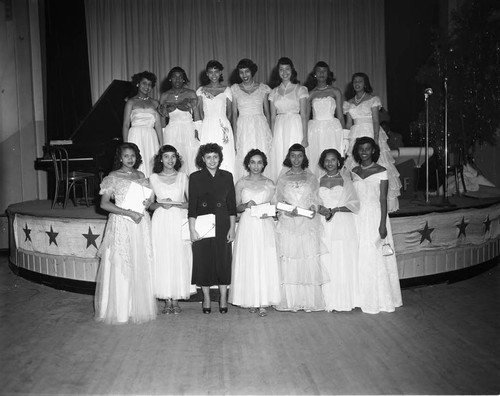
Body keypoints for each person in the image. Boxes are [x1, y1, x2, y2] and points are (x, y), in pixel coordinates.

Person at [95, 143, 156, 324]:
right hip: (122, 222)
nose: (130, 159)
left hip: (140, 222)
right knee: (122, 263)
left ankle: (137, 307)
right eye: (126, 156)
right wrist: (127, 212)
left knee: (140, 261)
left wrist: (147, 202)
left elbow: (150, 200)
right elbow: (104, 204)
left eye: (133, 156)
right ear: (120, 158)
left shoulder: (141, 176)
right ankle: (120, 309)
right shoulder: (112, 177)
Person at [274, 144, 328, 312]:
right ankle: (291, 301)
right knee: (290, 260)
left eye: (299, 156)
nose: (296, 159)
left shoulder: (311, 177)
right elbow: (277, 201)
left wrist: (313, 207)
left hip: (307, 223)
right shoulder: (282, 178)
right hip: (289, 222)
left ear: (304, 157)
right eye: (293, 156)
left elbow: (316, 199)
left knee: (307, 259)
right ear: (288, 158)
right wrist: (286, 210)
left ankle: (308, 301)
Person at [351, 137, 403, 314]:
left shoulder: (382, 171)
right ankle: (360, 297)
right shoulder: (354, 171)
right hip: (358, 217)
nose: (364, 152)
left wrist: (382, 225)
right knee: (359, 255)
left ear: (373, 150)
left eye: (367, 148)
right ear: (357, 151)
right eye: (361, 149)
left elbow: (383, 199)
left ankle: (379, 298)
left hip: (374, 216)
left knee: (374, 256)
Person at [229, 149, 281, 317]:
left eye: (259, 162)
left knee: (264, 259)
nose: (256, 166)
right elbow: (235, 207)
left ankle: (263, 301)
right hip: (247, 224)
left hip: (264, 224)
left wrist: (270, 212)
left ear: (264, 164)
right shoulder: (241, 183)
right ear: (248, 164)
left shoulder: (270, 182)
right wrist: (246, 206)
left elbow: (276, 207)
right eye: (253, 162)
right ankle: (251, 299)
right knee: (249, 259)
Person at [188, 143, 237, 314]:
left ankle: (223, 297)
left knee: (223, 260)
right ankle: (206, 297)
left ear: (220, 158)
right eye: (208, 157)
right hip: (202, 223)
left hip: (223, 222)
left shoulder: (227, 176)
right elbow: (192, 206)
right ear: (202, 159)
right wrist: (192, 229)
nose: (212, 160)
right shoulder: (195, 177)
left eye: (215, 156)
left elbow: (232, 205)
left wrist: (232, 227)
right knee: (204, 261)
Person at [343, 72, 401, 212]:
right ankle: (359, 201)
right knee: (354, 165)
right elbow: (348, 124)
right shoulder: (348, 103)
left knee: (377, 164)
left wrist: (375, 141)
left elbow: (376, 120)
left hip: (370, 131)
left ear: (365, 84)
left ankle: (380, 203)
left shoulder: (373, 99)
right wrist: (345, 142)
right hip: (355, 134)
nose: (357, 84)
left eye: (360, 81)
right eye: (355, 81)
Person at [149, 145, 195, 314]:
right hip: (160, 220)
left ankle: (175, 298)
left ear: (177, 159)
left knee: (178, 256)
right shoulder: (153, 178)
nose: (170, 160)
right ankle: (166, 299)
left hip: (178, 218)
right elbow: (149, 204)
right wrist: (161, 204)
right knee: (163, 257)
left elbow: (191, 203)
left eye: (173, 157)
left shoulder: (183, 177)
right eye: (166, 156)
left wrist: (175, 204)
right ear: (161, 159)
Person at [317, 149, 360, 312]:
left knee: (342, 258)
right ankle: (328, 299)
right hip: (325, 224)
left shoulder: (346, 180)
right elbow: (315, 202)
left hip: (342, 223)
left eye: (333, 160)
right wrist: (321, 209)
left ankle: (345, 299)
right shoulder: (319, 180)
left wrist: (336, 210)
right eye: (327, 160)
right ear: (323, 162)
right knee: (327, 260)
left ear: (339, 162)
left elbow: (355, 205)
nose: (330, 163)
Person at [231, 59, 272, 181]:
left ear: (252, 71)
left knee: (262, 154)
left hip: (260, 126)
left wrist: (269, 132)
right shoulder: (235, 89)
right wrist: (234, 135)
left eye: (247, 72)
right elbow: (233, 114)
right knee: (244, 155)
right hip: (243, 126)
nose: (244, 75)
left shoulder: (263, 88)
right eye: (241, 72)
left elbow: (267, 113)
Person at [268, 57, 309, 181]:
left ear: (292, 70)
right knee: (279, 154)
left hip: (295, 125)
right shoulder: (273, 92)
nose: (284, 72)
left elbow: (304, 115)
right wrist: (271, 135)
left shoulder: (300, 89)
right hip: (279, 126)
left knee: (295, 155)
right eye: (281, 69)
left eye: (287, 69)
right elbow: (272, 117)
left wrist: (305, 136)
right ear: (278, 71)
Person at [306, 62, 346, 177]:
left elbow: (340, 115)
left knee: (333, 156)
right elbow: (306, 115)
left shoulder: (335, 91)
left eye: (324, 71)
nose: (321, 73)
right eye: (319, 71)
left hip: (333, 129)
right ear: (315, 74)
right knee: (316, 157)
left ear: (328, 74)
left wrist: (345, 136)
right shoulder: (310, 94)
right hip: (315, 130)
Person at [196, 61, 235, 175]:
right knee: (207, 154)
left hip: (223, 127)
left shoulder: (227, 90)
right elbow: (199, 112)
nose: (214, 75)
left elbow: (229, 113)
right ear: (207, 74)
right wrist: (200, 128)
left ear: (220, 73)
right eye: (211, 72)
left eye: (216, 72)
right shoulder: (201, 90)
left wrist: (223, 125)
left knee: (225, 154)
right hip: (207, 126)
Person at [158, 67, 200, 175]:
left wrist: (199, 131)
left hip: (188, 129)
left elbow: (197, 115)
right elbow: (162, 117)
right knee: (172, 159)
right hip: (171, 130)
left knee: (191, 159)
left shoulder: (191, 93)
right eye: (174, 77)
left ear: (184, 79)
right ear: (170, 79)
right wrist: (162, 136)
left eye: (180, 77)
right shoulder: (165, 95)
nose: (177, 80)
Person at [122, 71, 163, 177]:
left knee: (151, 163)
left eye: (150, 84)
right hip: (135, 135)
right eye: (144, 83)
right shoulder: (131, 102)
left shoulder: (155, 103)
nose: (147, 86)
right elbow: (126, 125)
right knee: (137, 163)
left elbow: (158, 125)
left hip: (150, 135)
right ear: (138, 84)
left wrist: (162, 143)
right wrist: (126, 144)